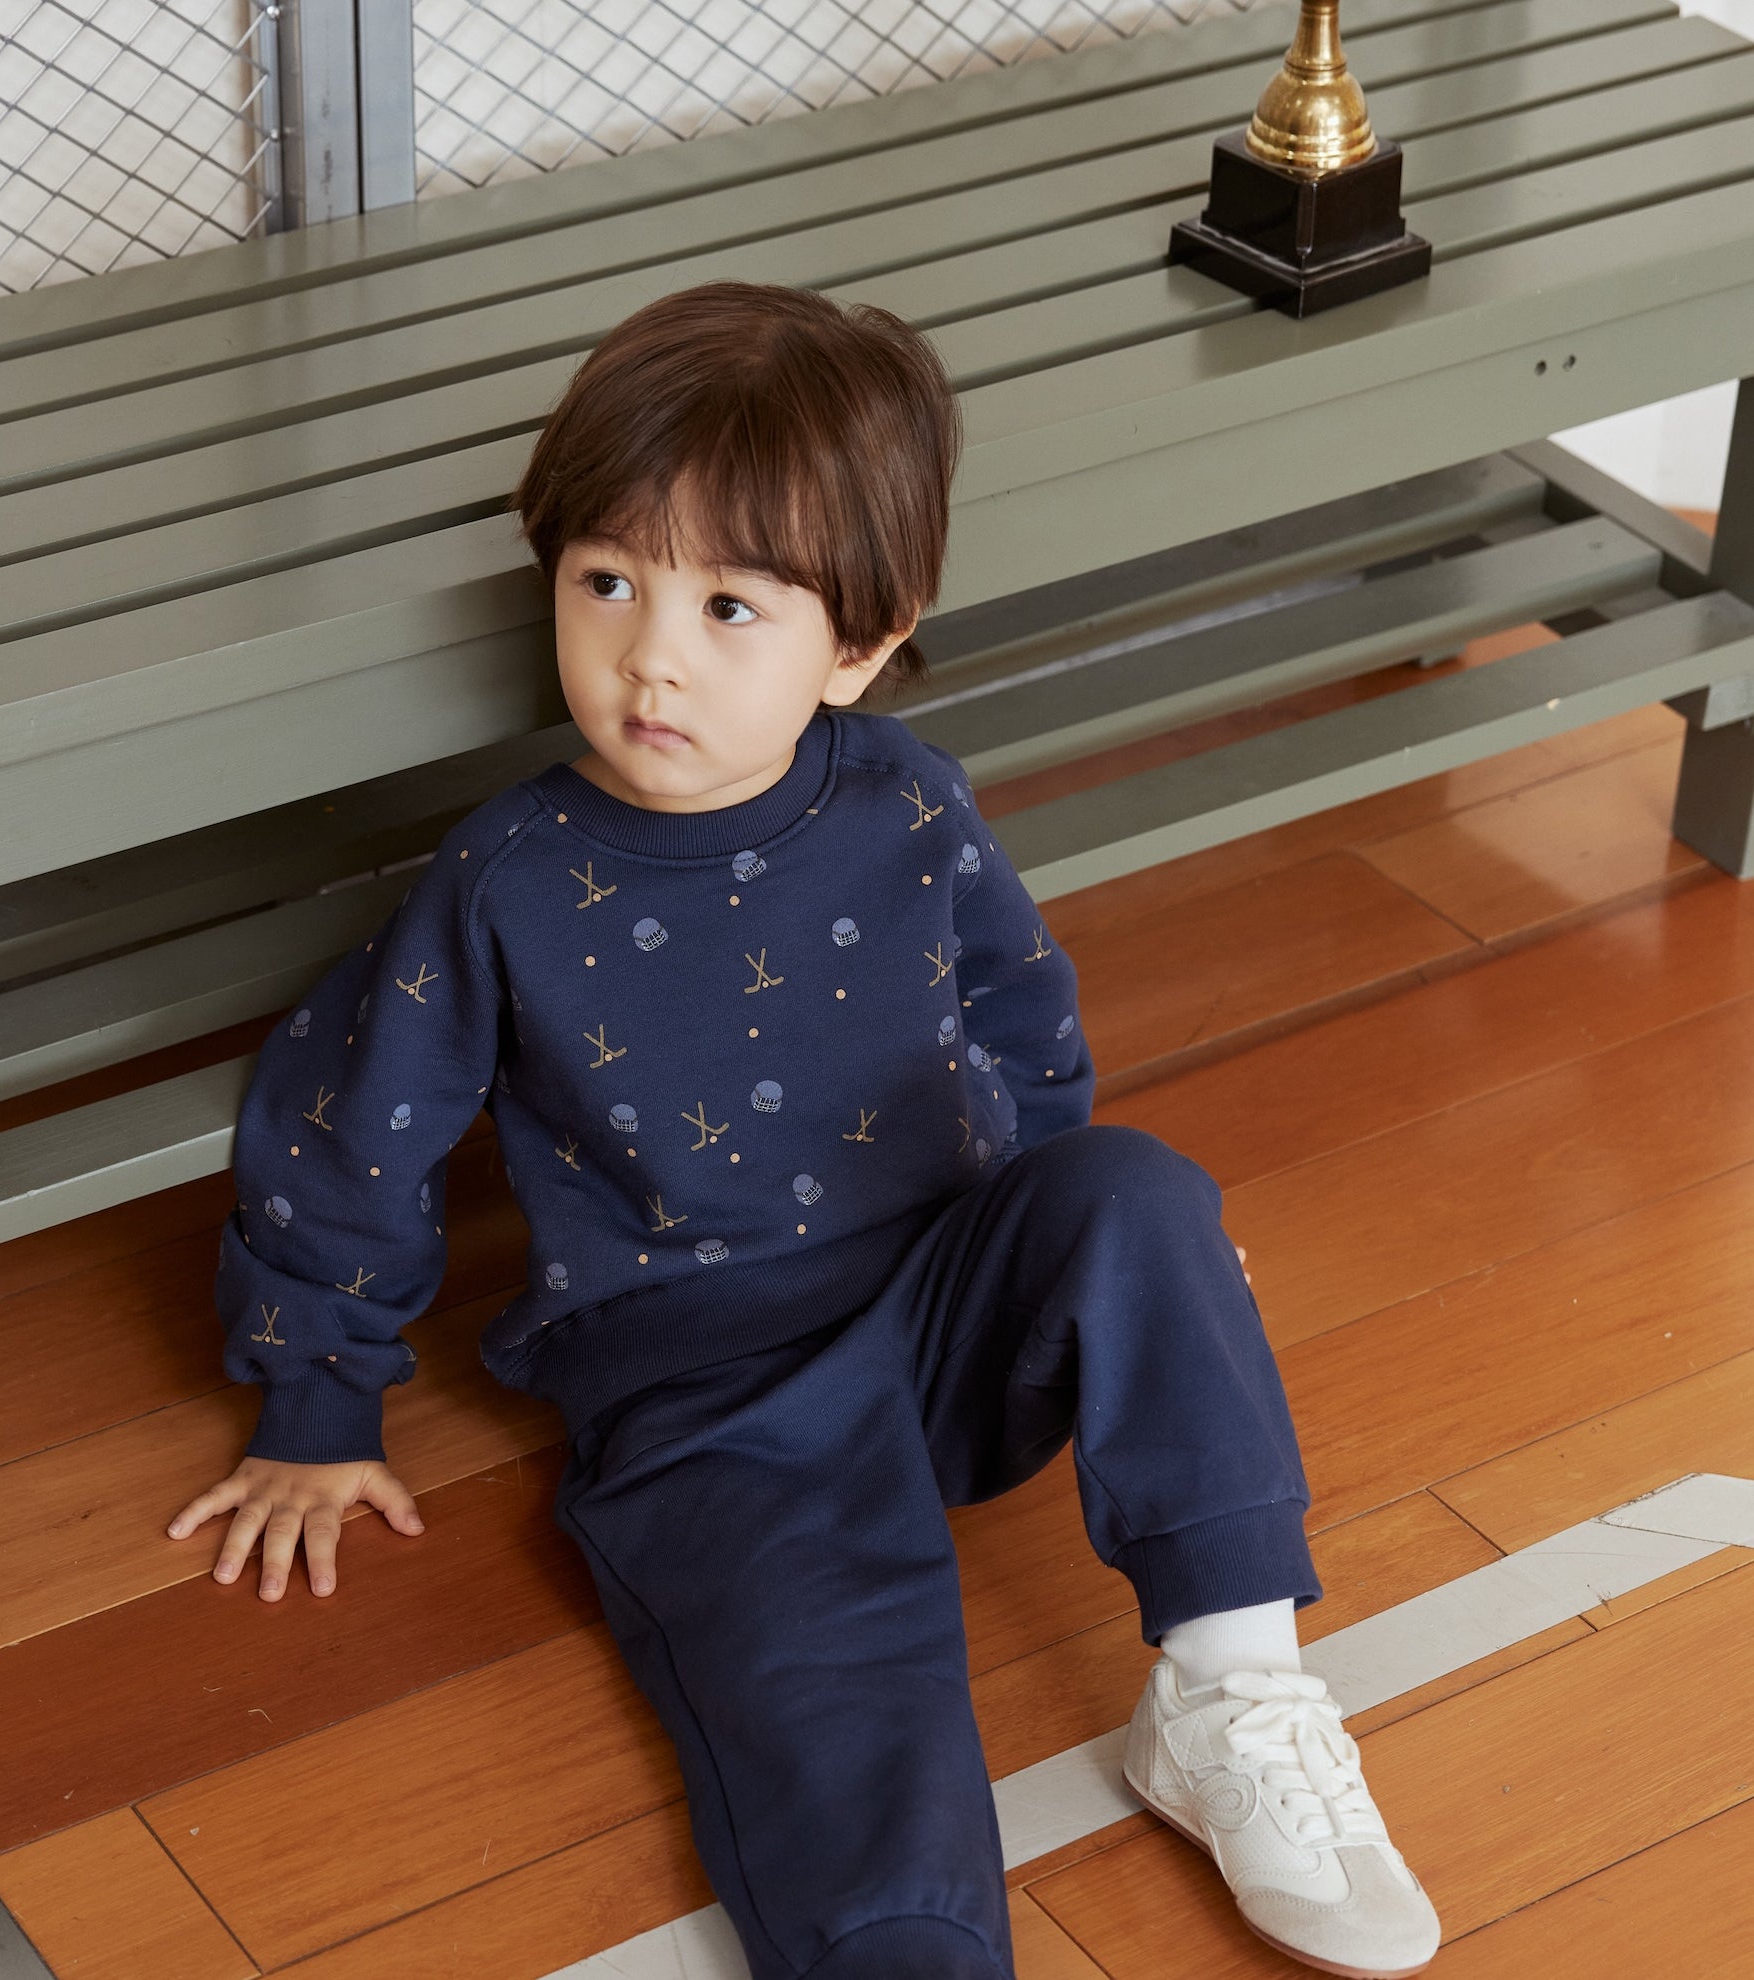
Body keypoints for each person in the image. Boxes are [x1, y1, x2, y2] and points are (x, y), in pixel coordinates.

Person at [167, 279, 1440, 1980]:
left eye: (730, 607)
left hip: (937, 1318)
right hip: (707, 1407)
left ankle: (1231, 1695)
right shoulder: (510, 875)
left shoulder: (913, 798)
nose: (651, 657)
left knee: (1141, 1192)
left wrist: (1125, 1291)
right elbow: (349, 1121)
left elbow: (1024, 1024)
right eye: (605, 582)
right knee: (840, 1745)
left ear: (866, 636)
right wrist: (317, 1402)